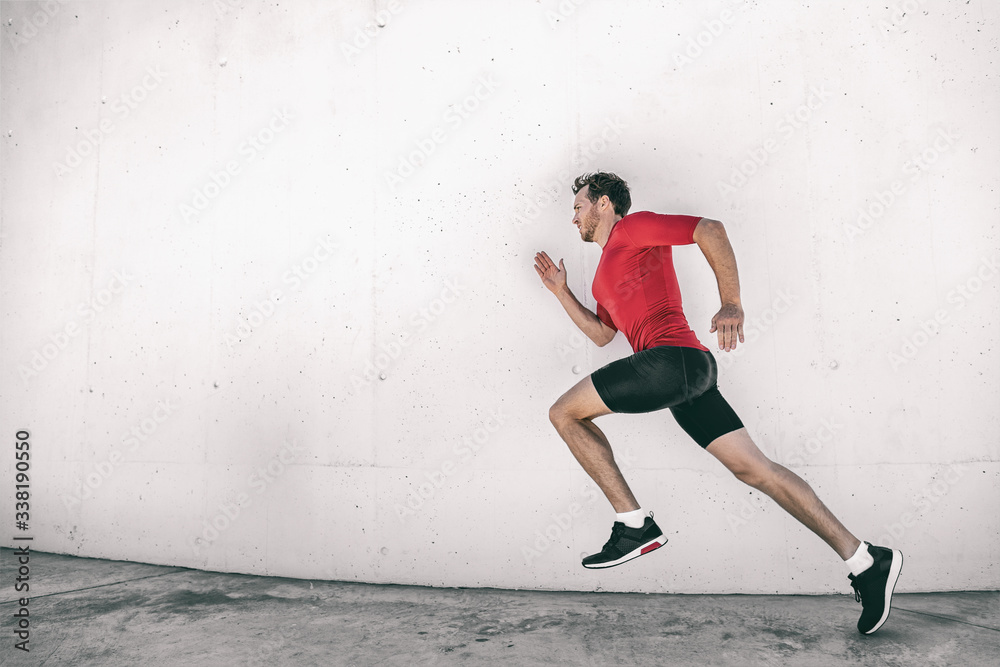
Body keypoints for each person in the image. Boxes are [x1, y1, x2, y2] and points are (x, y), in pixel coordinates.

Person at [533, 172, 902, 635]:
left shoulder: (632, 228)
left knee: (563, 412)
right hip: (688, 374)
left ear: (604, 204)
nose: (574, 218)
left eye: (579, 207)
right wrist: (560, 291)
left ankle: (633, 524)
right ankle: (866, 560)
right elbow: (603, 334)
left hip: (672, 361)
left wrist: (732, 303)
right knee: (756, 470)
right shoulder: (608, 267)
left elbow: (710, 228)